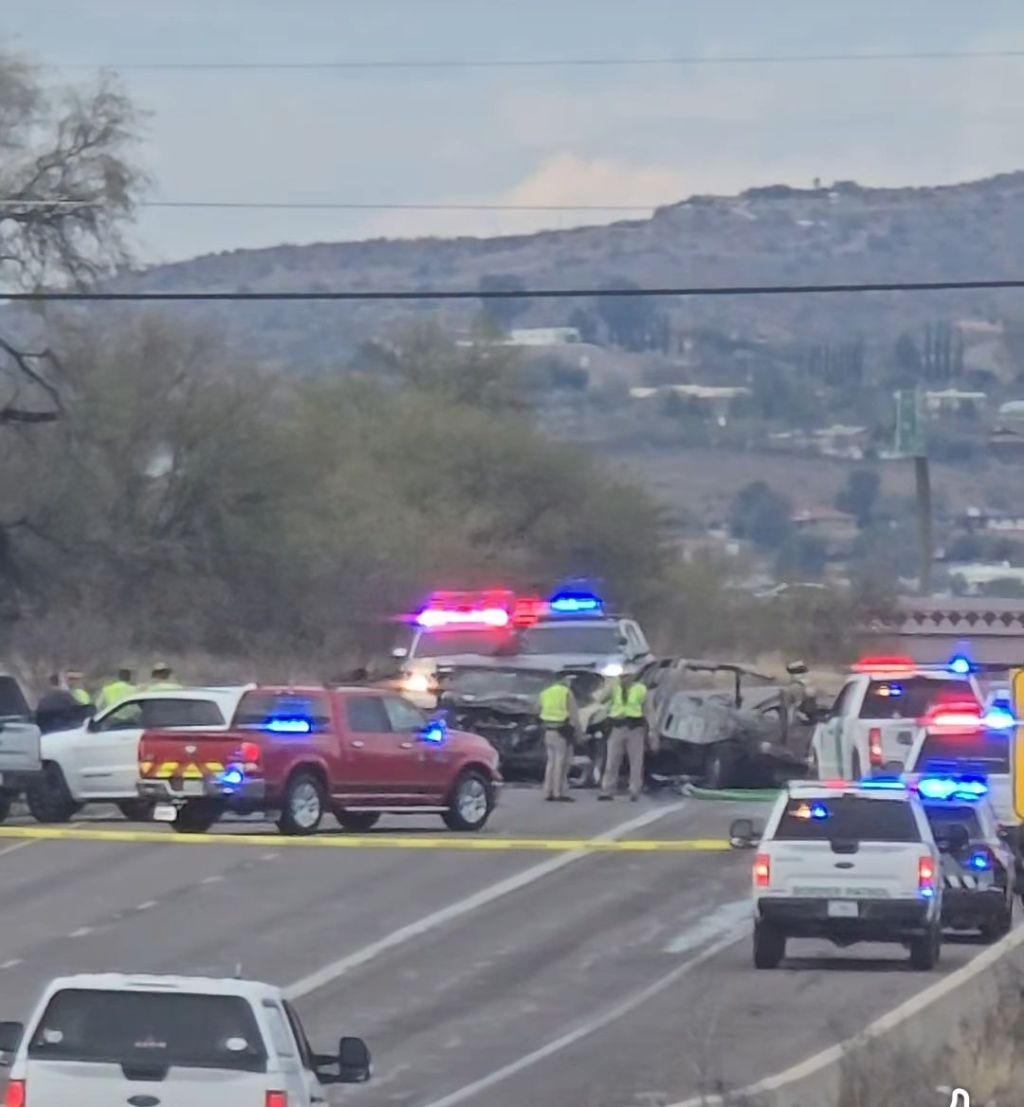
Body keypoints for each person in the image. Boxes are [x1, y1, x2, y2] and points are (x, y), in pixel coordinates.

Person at [599, 671, 649, 802]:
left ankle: (634, 790)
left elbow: (648, 709)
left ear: (633, 676)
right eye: (621, 676)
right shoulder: (615, 688)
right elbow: (600, 699)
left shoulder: (640, 689)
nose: (623, 679)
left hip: (635, 727)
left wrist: (652, 730)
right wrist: (608, 686)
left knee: (636, 761)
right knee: (612, 760)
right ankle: (607, 789)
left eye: (626, 676)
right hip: (617, 726)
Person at [538, 671, 580, 803]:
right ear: (564, 680)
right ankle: (559, 792)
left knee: (551, 763)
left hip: (548, 730)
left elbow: (538, 709)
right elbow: (574, 715)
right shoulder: (566, 693)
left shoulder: (545, 693)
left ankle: (547, 791)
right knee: (561, 763)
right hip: (562, 731)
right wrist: (579, 732)